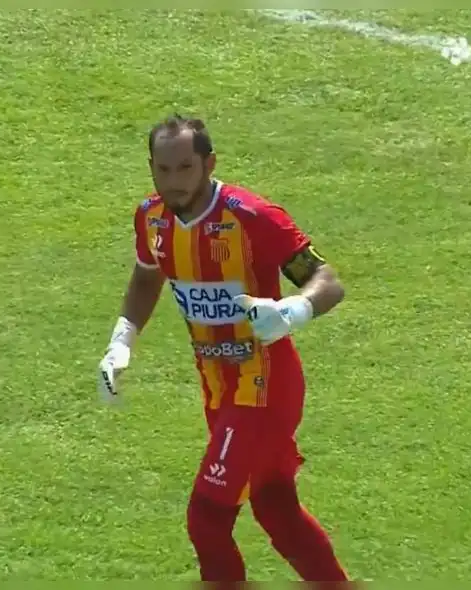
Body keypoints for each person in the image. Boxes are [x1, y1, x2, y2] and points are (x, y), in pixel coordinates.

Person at [96, 114, 350, 582]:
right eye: (164, 169)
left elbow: (327, 282)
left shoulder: (250, 217)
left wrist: (292, 311)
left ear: (209, 163)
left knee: (207, 518)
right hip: (219, 388)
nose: (174, 182)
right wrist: (121, 340)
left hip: (265, 385)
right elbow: (147, 274)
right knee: (275, 507)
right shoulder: (152, 217)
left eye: (186, 168)